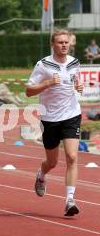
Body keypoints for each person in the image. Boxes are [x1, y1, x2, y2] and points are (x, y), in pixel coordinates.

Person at [26, 29, 84, 217]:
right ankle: (41, 175)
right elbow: (29, 91)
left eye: (66, 42)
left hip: (71, 115)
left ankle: (69, 200)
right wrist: (48, 83)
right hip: (50, 119)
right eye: (60, 42)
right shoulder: (43, 65)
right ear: (53, 44)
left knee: (72, 157)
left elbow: (75, 79)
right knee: (52, 162)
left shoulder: (75, 62)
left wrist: (78, 86)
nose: (64, 45)